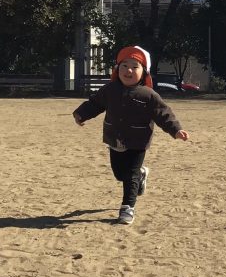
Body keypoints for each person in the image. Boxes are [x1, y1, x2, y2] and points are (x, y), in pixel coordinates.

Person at [73, 46, 189, 225]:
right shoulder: (110, 90)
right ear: (117, 69)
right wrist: (81, 114)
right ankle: (142, 174)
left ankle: (127, 208)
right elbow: (95, 104)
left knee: (130, 175)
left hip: (138, 140)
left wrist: (176, 130)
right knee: (119, 174)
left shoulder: (148, 95)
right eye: (124, 66)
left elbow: (163, 114)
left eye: (135, 67)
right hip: (114, 138)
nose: (129, 70)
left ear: (144, 72)